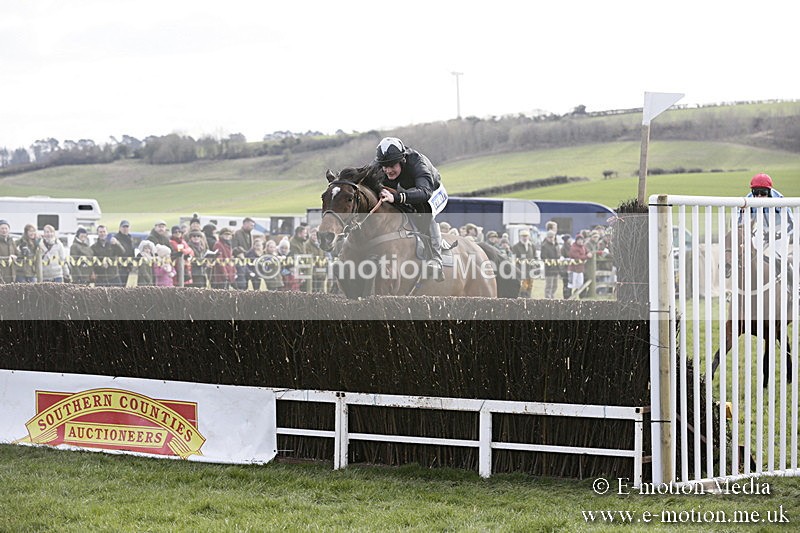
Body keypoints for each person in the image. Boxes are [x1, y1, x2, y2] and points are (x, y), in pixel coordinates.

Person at [375, 137, 446, 281]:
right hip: (405, 189)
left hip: (433, 192)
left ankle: (436, 258)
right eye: (385, 166)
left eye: (392, 166)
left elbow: (425, 193)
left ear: (402, 161)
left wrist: (397, 197)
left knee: (425, 211)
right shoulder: (378, 165)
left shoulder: (417, 163)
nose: (388, 170)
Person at [739, 173, 794, 238]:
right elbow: (740, 220)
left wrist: (779, 235)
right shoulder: (748, 199)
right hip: (761, 229)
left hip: (780, 229)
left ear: (769, 191)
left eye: (763, 192)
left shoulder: (779, 200)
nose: (759, 195)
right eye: (756, 192)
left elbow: (792, 224)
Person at [511, 229, 536, 298]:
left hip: (530, 271)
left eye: (526, 236)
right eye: (523, 236)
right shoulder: (516, 247)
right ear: (520, 237)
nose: (525, 238)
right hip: (521, 271)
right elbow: (514, 259)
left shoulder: (532, 246)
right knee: (522, 289)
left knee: (529, 288)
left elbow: (534, 256)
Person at [232, 218, 255, 290]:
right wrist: (239, 253)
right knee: (241, 283)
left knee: (246, 281)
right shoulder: (237, 233)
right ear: (245, 224)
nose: (252, 227)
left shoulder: (250, 234)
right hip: (239, 262)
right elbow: (234, 247)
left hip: (248, 261)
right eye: (251, 225)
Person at [568, 234, 592, 298]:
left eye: (581, 240)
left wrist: (589, 253)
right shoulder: (573, 247)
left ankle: (577, 296)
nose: (580, 241)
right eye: (579, 240)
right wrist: (587, 256)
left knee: (580, 285)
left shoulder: (583, 247)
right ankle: (570, 297)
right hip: (573, 269)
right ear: (576, 240)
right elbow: (577, 257)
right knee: (572, 285)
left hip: (580, 269)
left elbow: (587, 251)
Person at [540, 230, 560, 299]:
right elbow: (543, 257)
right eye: (550, 237)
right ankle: (548, 300)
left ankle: (552, 298)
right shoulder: (544, 246)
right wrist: (550, 263)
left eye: (552, 237)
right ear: (547, 237)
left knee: (555, 286)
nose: (551, 238)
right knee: (549, 286)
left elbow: (559, 255)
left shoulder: (556, 244)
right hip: (549, 269)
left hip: (556, 268)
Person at [115, 220, 136, 286]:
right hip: (119, 266)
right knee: (118, 286)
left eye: (127, 227)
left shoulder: (130, 238)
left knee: (124, 285)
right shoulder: (116, 238)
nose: (125, 229)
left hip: (127, 266)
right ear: (120, 228)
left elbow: (132, 252)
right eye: (123, 227)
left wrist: (131, 264)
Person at [0, 219, 17, 284]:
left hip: (11, 273)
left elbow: (17, 253)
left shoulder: (11, 241)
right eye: (2, 228)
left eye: (6, 228)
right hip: (1, 272)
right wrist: (8, 258)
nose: (4, 230)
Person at [559, 234, 573, 299]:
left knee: (570, 283)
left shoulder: (571, 247)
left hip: (571, 268)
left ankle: (570, 296)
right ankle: (566, 297)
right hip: (565, 269)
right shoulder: (563, 248)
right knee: (566, 283)